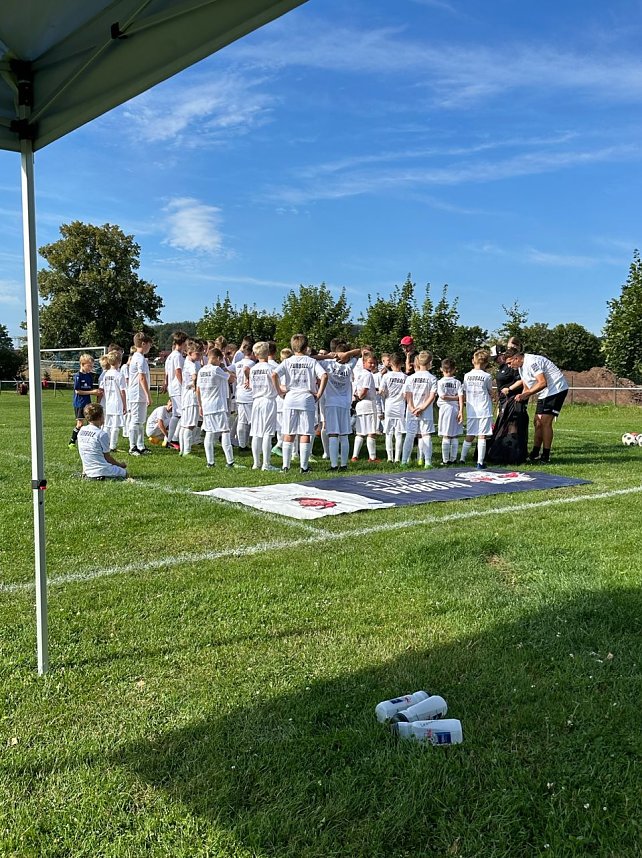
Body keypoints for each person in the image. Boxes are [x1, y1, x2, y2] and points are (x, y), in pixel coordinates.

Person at [273, 334, 327, 473]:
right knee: (305, 432)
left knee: (288, 432)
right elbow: (324, 375)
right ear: (306, 346)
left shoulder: (287, 361)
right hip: (306, 398)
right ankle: (303, 466)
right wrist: (319, 393)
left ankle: (286, 466)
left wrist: (279, 390)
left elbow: (274, 374)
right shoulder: (311, 361)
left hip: (290, 398)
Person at [504, 347, 569, 463]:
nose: (509, 366)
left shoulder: (532, 362)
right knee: (537, 422)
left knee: (545, 422)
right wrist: (521, 398)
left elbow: (542, 382)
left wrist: (526, 394)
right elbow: (527, 386)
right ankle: (535, 453)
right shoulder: (521, 367)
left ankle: (546, 455)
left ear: (516, 358)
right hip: (545, 393)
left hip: (556, 390)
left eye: (509, 363)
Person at [196, 347, 243, 468]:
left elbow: (198, 390)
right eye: (220, 360)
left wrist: (200, 405)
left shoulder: (201, 371)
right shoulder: (216, 369)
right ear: (217, 358)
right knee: (225, 431)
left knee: (210, 433)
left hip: (206, 405)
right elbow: (232, 379)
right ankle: (230, 461)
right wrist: (225, 369)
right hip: (218, 405)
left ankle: (210, 462)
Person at [318, 339, 360, 470]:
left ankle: (334, 464)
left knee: (333, 434)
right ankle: (344, 464)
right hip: (345, 403)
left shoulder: (328, 364)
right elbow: (359, 352)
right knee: (344, 434)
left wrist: (328, 356)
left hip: (331, 403)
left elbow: (311, 358)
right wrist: (347, 354)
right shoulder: (349, 365)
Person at [402, 351, 438, 468]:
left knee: (410, 435)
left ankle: (404, 461)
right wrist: (422, 408)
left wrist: (412, 407)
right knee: (426, 435)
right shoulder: (432, 378)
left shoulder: (411, 378)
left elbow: (407, 394)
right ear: (430, 363)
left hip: (411, 410)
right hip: (426, 411)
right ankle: (427, 462)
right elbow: (432, 396)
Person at [460, 349, 493, 469]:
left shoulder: (467, 376)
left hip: (471, 409)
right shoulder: (487, 376)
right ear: (486, 363)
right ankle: (480, 462)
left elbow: (464, 391)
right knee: (482, 435)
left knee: (470, 434)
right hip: (484, 408)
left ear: (473, 361)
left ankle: (462, 458)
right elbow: (490, 391)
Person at [249, 341, 279, 471]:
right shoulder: (271, 368)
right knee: (267, 432)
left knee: (256, 432)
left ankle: (256, 463)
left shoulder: (253, 369)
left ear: (256, 354)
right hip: (268, 399)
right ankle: (266, 464)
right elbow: (276, 384)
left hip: (256, 400)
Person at [77, 403, 128, 480]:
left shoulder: (82, 430)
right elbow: (107, 458)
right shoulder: (101, 434)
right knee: (125, 473)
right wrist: (120, 465)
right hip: (101, 470)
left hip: (87, 470)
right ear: (100, 417)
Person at [351, 353, 380, 463]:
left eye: (374, 363)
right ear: (364, 363)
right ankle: (372, 457)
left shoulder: (359, 374)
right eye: (370, 363)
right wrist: (360, 397)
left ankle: (355, 456)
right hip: (368, 404)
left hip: (360, 406)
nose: (372, 365)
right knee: (371, 431)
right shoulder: (368, 375)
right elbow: (364, 390)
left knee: (360, 431)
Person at [127, 332, 153, 457]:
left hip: (139, 394)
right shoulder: (139, 359)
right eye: (149, 345)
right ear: (143, 344)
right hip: (137, 393)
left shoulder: (139, 358)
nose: (150, 348)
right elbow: (141, 378)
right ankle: (132, 447)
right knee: (136, 421)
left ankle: (141, 445)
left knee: (141, 421)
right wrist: (148, 395)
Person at [379, 353, 407, 463]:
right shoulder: (405, 377)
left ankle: (389, 457)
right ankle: (397, 458)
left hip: (389, 405)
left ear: (390, 363)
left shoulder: (386, 376)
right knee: (399, 433)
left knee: (388, 433)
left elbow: (381, 391)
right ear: (401, 363)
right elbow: (406, 394)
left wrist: (385, 394)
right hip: (400, 406)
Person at [68, 354, 99, 449]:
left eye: (92, 366)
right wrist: (92, 392)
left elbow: (90, 388)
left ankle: (87, 442)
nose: (91, 368)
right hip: (79, 403)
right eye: (89, 366)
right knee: (80, 424)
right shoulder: (78, 376)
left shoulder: (89, 376)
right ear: (82, 364)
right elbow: (78, 391)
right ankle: (72, 441)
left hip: (87, 402)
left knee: (90, 423)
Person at [436, 358, 463, 464]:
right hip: (456, 408)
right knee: (455, 434)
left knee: (446, 434)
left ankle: (446, 460)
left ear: (441, 369)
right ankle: (453, 458)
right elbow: (461, 396)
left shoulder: (440, 382)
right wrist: (461, 410)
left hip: (445, 409)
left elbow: (442, 396)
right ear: (454, 370)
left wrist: (452, 398)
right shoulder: (457, 382)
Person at [99, 350, 127, 451]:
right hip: (117, 402)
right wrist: (125, 405)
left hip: (108, 402)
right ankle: (112, 445)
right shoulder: (119, 375)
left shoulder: (106, 375)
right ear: (119, 362)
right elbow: (122, 392)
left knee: (107, 424)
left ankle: (105, 444)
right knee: (115, 425)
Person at [164, 330, 187, 449]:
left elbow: (167, 373)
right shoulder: (177, 356)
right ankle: (175, 438)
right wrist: (183, 385)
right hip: (178, 388)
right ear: (183, 343)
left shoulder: (170, 356)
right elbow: (178, 371)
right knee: (183, 413)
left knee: (176, 414)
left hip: (172, 387)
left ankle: (169, 439)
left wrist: (166, 383)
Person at [178, 339, 200, 456]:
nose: (199, 355)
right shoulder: (192, 365)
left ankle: (182, 449)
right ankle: (186, 450)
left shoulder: (186, 362)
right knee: (190, 424)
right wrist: (195, 384)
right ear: (189, 352)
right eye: (197, 353)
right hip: (191, 396)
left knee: (184, 423)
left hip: (185, 395)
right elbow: (194, 377)